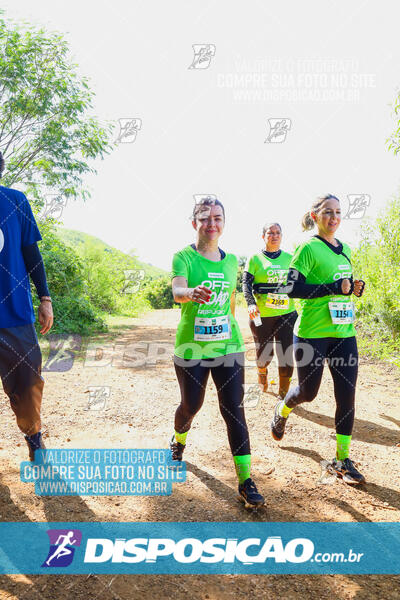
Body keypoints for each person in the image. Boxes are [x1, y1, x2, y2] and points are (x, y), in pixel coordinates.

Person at [170, 196, 265, 507]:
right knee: (191, 406)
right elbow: (178, 290)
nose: (212, 223)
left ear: (224, 223)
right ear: (194, 222)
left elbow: (230, 302)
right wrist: (190, 293)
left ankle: (245, 480)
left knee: (233, 409)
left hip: (228, 345)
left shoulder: (230, 261)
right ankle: (179, 438)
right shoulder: (183, 257)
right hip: (191, 347)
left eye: (218, 218)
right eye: (205, 217)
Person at [267, 194, 366, 484]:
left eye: (338, 212)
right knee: (308, 393)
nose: (334, 218)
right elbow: (290, 288)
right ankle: (283, 408)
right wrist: (332, 287)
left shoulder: (345, 248)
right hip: (312, 333)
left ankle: (342, 460)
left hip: (343, 332)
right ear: (315, 214)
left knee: (346, 395)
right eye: (327, 212)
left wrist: (352, 288)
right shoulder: (307, 247)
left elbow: (341, 285)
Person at [0, 151, 53, 461]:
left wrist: (45, 298)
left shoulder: (16, 201)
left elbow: (32, 255)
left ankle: (34, 440)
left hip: (15, 314)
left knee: (29, 383)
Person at [242, 222, 297, 400]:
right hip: (262, 315)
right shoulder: (255, 259)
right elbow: (246, 283)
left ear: (282, 235)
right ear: (263, 236)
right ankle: (262, 371)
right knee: (265, 354)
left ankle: (283, 395)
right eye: (270, 232)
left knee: (286, 353)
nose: (274, 236)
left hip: (287, 313)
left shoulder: (290, 258)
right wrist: (251, 302)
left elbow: (296, 282)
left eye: (278, 232)